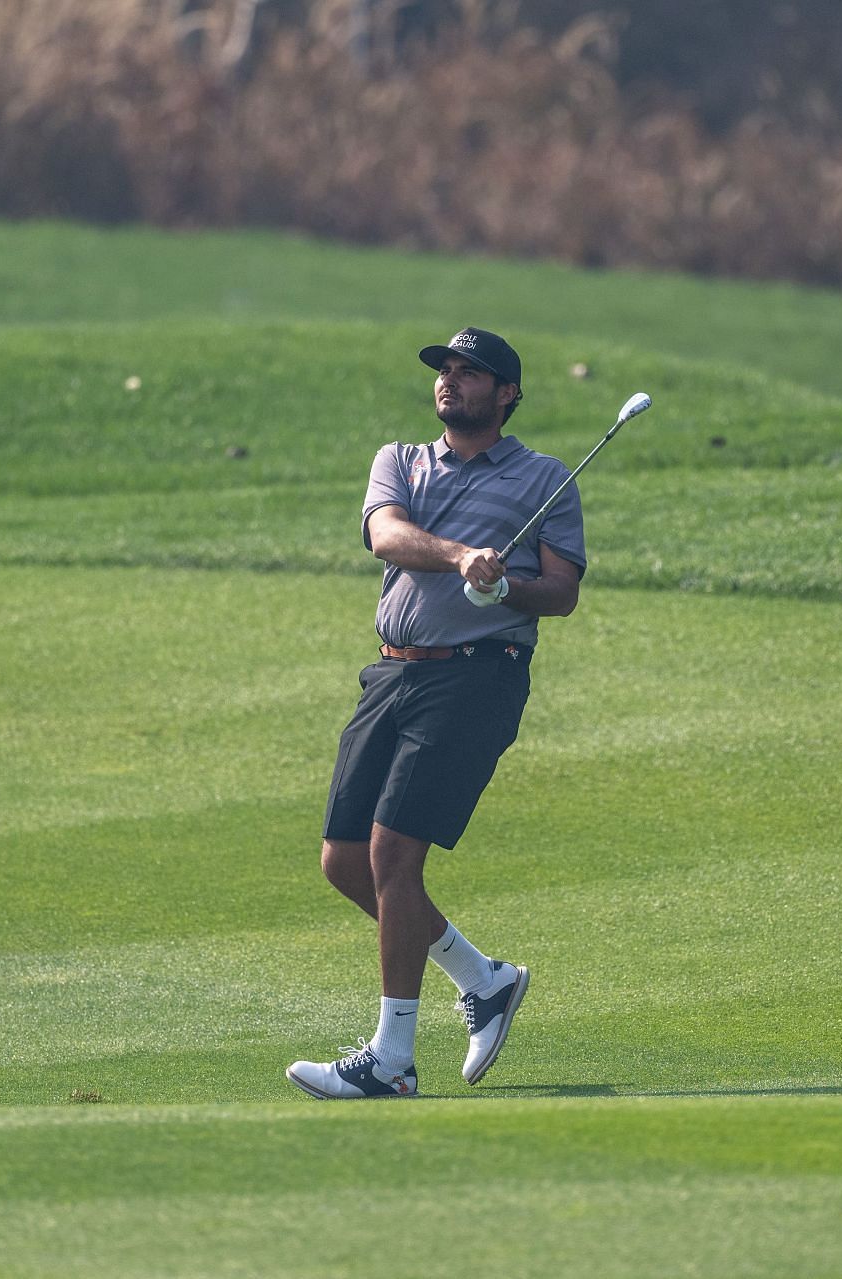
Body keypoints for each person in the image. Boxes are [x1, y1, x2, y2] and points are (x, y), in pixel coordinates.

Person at [286, 327, 586, 1100]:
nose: (450, 381)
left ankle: (392, 1059)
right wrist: (461, 558)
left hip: (477, 678)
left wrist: (505, 588)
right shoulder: (400, 460)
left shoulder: (546, 479)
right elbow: (383, 533)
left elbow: (562, 591)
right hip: (391, 673)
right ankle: (483, 979)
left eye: (470, 372)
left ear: (508, 393)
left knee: (392, 854)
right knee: (344, 860)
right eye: (445, 370)